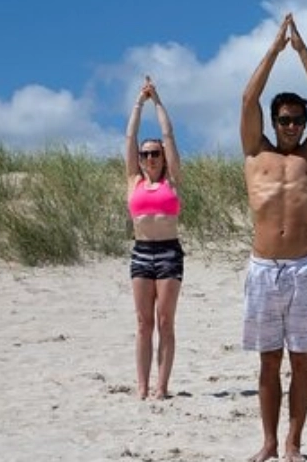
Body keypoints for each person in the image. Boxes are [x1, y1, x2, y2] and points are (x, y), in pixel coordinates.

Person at [240, 13, 307, 462]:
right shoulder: (256, 151)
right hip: (263, 269)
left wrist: (302, 51)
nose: (293, 126)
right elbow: (248, 96)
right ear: (274, 121)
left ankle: (295, 443)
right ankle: (270, 442)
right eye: (285, 120)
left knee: (300, 360)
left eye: (298, 120)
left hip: (301, 266)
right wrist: (275, 49)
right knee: (268, 361)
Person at [124, 76, 184, 401]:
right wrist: (138, 102)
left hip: (169, 253)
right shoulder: (133, 179)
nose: (149, 158)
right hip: (141, 252)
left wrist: (157, 100)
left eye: (154, 154)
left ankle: (161, 388)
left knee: (165, 320)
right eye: (145, 155)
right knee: (143, 323)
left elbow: (168, 135)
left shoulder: (172, 180)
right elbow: (131, 135)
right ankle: (142, 387)